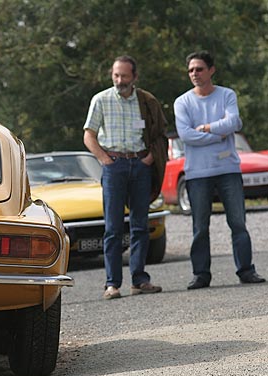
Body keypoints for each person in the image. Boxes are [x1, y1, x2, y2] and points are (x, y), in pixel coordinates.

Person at [173, 50, 265, 289]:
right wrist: (218, 134)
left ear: (211, 70)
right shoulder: (182, 102)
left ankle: (246, 271)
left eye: (199, 69)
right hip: (197, 172)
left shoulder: (226, 95)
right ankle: (201, 275)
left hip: (228, 169)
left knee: (238, 223)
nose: (194, 74)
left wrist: (204, 127)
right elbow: (186, 136)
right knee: (200, 227)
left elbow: (234, 122)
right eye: (191, 70)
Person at [84, 55, 168, 300]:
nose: (119, 80)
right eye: (116, 75)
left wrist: (150, 159)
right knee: (113, 228)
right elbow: (89, 135)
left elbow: (160, 133)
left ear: (135, 77)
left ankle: (140, 279)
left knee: (141, 226)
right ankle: (112, 284)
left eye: (124, 76)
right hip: (114, 166)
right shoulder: (101, 99)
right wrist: (103, 159)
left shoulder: (146, 101)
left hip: (141, 165)